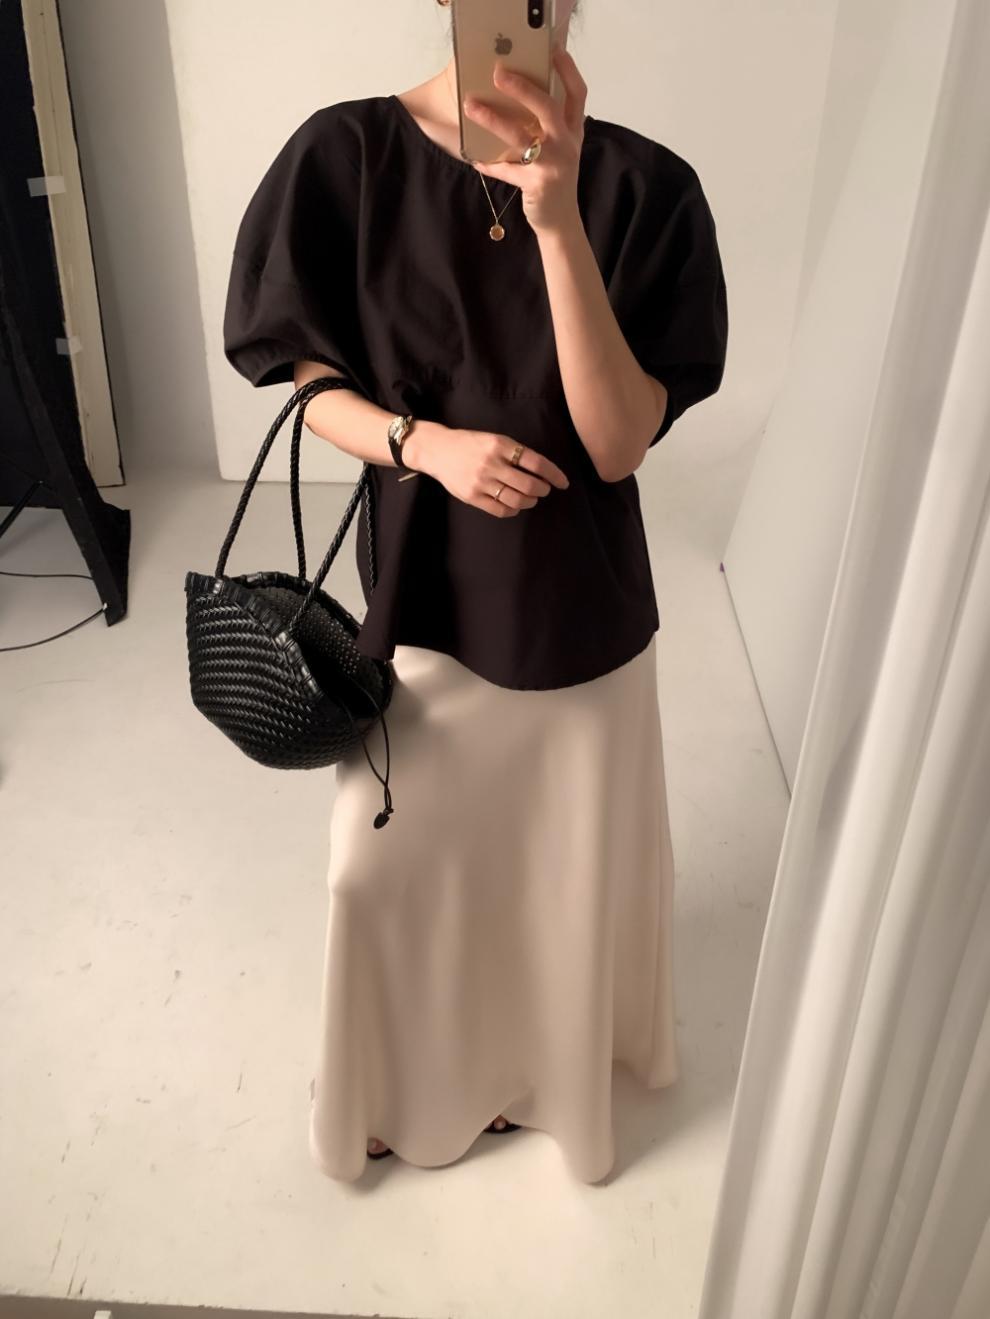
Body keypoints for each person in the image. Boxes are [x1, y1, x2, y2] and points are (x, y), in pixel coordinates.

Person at [222, 0, 728, 1182]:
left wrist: (557, 222)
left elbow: (617, 445)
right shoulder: (346, 155)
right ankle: (407, 1071)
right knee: (381, 863)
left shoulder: (646, 189)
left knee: (551, 871)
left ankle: (536, 1070)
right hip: (425, 600)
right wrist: (427, 445)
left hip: (579, 613)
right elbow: (312, 387)